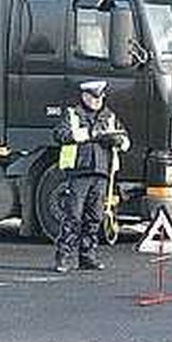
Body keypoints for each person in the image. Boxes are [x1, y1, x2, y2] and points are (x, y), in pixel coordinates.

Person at [53, 80, 130, 273]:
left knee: (94, 217)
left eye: (100, 97)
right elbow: (59, 135)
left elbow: (127, 141)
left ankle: (88, 256)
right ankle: (64, 257)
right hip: (79, 172)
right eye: (93, 97)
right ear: (84, 96)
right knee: (73, 216)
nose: (96, 101)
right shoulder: (73, 114)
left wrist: (119, 140)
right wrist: (90, 133)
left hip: (102, 172)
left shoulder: (109, 116)